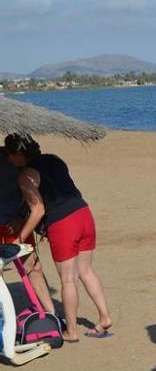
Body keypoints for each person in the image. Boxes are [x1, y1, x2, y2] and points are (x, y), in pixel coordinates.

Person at [5, 134, 113, 342]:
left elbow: (38, 210)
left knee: (68, 279)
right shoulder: (55, 159)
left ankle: (71, 331)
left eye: (10, 155)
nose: (9, 160)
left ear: (19, 154)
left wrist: (20, 238)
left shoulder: (25, 175)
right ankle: (104, 317)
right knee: (86, 271)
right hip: (83, 213)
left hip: (63, 223)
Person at [0, 146, 55, 315]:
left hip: (15, 223)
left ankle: (51, 314)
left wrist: (22, 216)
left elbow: (32, 193)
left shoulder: (19, 159)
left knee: (33, 266)